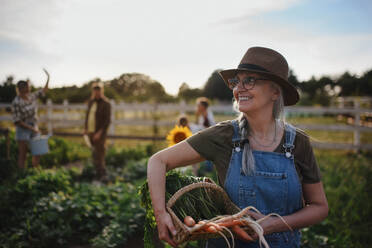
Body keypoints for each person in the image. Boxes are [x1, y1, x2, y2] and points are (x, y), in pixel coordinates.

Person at [147, 47, 328, 248]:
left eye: (249, 80)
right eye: (236, 81)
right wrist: (161, 215)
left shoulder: (297, 142)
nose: (238, 88)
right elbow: (158, 161)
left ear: (275, 91)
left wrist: (273, 224)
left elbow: (319, 207)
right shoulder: (223, 135)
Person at [11, 69, 50, 169]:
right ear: (21, 89)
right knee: (23, 153)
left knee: (37, 151)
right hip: (23, 128)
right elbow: (17, 121)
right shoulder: (16, 102)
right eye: (27, 86)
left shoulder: (31, 96)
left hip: (33, 126)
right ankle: (21, 174)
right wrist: (31, 128)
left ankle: (35, 171)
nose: (29, 87)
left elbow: (44, 90)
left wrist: (48, 77)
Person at [84, 82, 111, 180]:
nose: (96, 93)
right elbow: (88, 116)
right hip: (91, 131)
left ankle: (102, 175)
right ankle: (96, 173)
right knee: (94, 153)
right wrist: (86, 128)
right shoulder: (91, 102)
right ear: (93, 92)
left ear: (101, 91)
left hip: (99, 133)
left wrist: (99, 133)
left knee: (100, 153)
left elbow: (107, 121)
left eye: (98, 91)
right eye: (95, 91)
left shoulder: (106, 103)